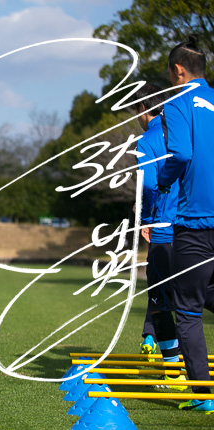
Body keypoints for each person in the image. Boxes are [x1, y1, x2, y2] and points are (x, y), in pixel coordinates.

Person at [156, 35, 214, 413]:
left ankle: (203, 396)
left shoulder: (177, 102)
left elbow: (180, 153)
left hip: (195, 221)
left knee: (189, 310)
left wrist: (164, 179)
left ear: (178, 71)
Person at [132, 83, 186, 390]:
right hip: (195, 226)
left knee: (160, 300)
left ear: (143, 108)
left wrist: (145, 219)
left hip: (164, 227)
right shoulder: (184, 131)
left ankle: (173, 374)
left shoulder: (147, 140)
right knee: (194, 295)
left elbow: (149, 186)